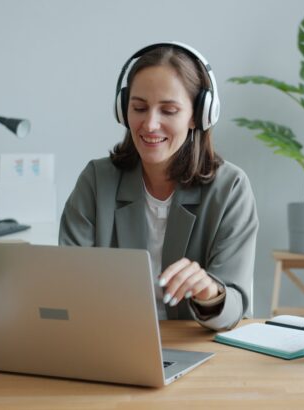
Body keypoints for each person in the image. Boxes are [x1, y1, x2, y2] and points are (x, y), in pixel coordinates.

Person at [59, 42, 258, 331]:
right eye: (139, 107)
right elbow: (68, 282)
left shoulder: (230, 189)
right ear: (123, 108)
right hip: (113, 342)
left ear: (198, 115)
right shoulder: (96, 181)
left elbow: (235, 305)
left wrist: (210, 292)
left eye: (168, 110)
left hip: (198, 348)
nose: (150, 124)